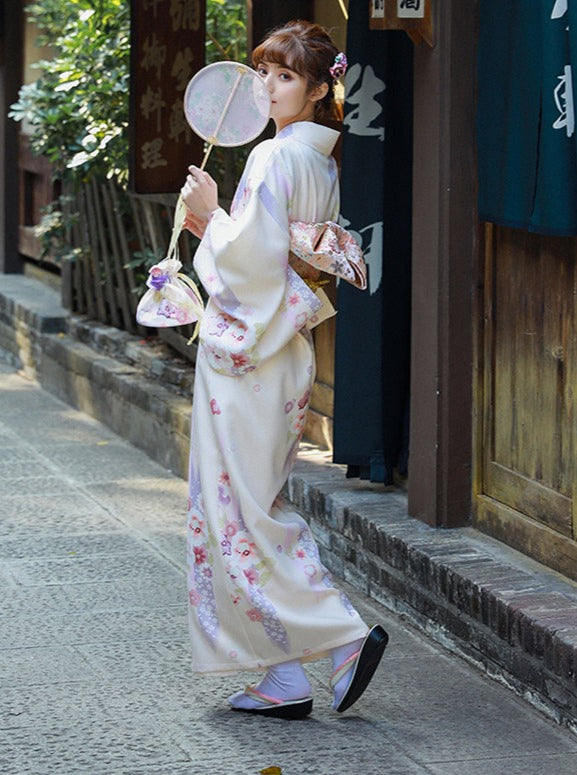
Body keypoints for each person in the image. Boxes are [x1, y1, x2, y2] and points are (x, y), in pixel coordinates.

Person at [180, 19, 388, 720]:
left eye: (285, 76)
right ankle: (281, 675)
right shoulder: (318, 159)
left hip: (250, 356)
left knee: (235, 513)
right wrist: (222, 231)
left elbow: (251, 265)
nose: (267, 87)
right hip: (283, 351)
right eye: (263, 72)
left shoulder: (274, 160)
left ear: (316, 87)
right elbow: (281, 255)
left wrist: (210, 220)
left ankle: (337, 638)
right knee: (249, 507)